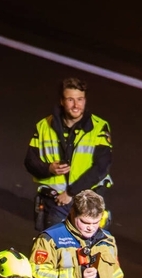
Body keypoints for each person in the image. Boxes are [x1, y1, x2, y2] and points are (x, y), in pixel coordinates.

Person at [25, 77, 113, 231]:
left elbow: (101, 167)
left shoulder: (99, 127)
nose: (76, 105)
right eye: (70, 100)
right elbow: (30, 161)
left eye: (80, 99)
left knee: (90, 244)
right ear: (62, 101)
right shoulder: (43, 126)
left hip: (88, 201)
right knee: (54, 244)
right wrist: (48, 169)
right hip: (56, 202)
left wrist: (71, 193)